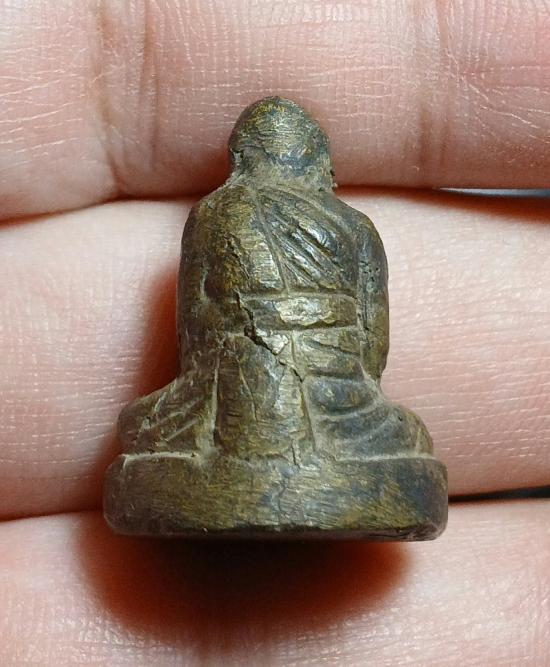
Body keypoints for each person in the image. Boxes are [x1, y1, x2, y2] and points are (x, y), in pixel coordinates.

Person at [0, 2, 549, 665]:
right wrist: (333, 377)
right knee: (407, 434)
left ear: (240, 159)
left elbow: (195, 329)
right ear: (320, 162)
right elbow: (372, 346)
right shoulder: (354, 228)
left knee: (142, 426)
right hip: (337, 396)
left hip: (224, 392)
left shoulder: (213, 214)